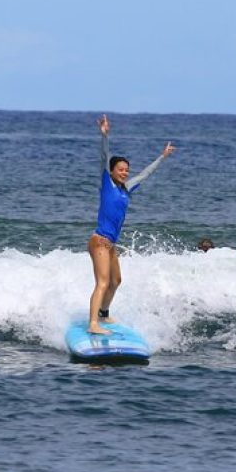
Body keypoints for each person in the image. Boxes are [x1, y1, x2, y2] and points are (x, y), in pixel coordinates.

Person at [87, 114, 175, 334]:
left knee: (116, 281)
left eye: (127, 169)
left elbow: (146, 174)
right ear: (112, 170)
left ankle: (103, 315)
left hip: (111, 244)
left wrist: (162, 157)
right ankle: (93, 324)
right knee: (103, 283)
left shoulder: (127, 188)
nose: (125, 172)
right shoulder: (106, 183)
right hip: (99, 241)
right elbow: (103, 156)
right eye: (120, 169)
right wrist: (104, 135)